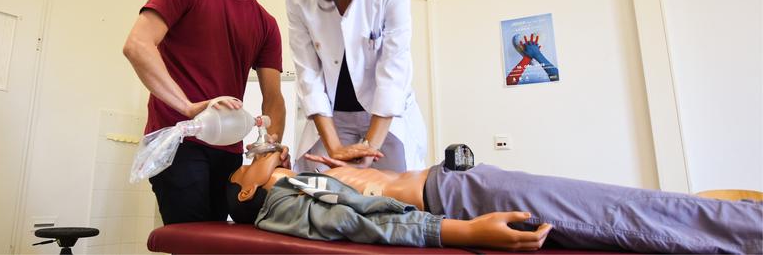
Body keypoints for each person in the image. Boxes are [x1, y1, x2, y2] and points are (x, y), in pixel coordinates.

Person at [226, 148, 763, 254]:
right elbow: (366, 227)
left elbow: (360, 201)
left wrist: (348, 167)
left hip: (459, 181)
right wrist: (462, 232)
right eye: (249, 160)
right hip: (462, 199)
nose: (262, 150)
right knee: (621, 214)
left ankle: (738, 217)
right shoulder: (286, 202)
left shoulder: (302, 180)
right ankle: (745, 226)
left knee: (623, 205)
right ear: (246, 189)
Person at [122, 0, 294, 225]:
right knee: (190, 239)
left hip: (228, 149)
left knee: (218, 238)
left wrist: (270, 149)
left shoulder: (266, 25)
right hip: (178, 140)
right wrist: (188, 107)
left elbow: (274, 98)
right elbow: (137, 46)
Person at [285, 0, 427, 173]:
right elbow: (309, 75)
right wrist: (335, 148)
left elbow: (393, 73)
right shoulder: (298, 0)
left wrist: (369, 150)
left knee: (394, 193)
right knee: (320, 189)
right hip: (331, 119)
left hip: (384, 117)